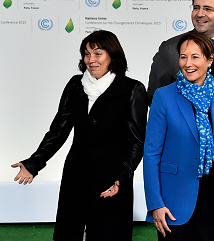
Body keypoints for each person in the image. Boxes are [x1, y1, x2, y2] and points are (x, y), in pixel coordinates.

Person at [11, 30, 148, 241]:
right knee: (70, 233)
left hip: (111, 181)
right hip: (76, 177)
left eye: (97, 53)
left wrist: (122, 177)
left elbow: (137, 141)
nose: (91, 60)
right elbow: (58, 130)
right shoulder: (75, 85)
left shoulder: (132, 89)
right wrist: (34, 162)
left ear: (112, 55)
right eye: (86, 54)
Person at [144, 30, 214, 241]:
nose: (188, 63)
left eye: (195, 57)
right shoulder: (164, 96)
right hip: (173, 202)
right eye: (183, 56)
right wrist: (155, 204)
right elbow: (151, 154)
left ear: (210, 59)